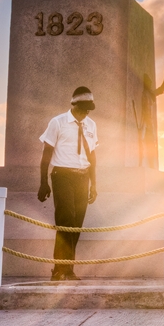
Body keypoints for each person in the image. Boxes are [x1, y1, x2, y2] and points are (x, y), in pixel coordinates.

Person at [37, 86, 100, 280]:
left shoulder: (91, 125)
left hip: (83, 176)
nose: (85, 113)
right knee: (66, 221)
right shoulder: (58, 122)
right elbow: (46, 154)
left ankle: (69, 269)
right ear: (73, 105)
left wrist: (94, 184)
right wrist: (43, 182)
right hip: (62, 175)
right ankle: (58, 268)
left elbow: (92, 156)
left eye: (88, 109)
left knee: (77, 224)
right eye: (82, 108)